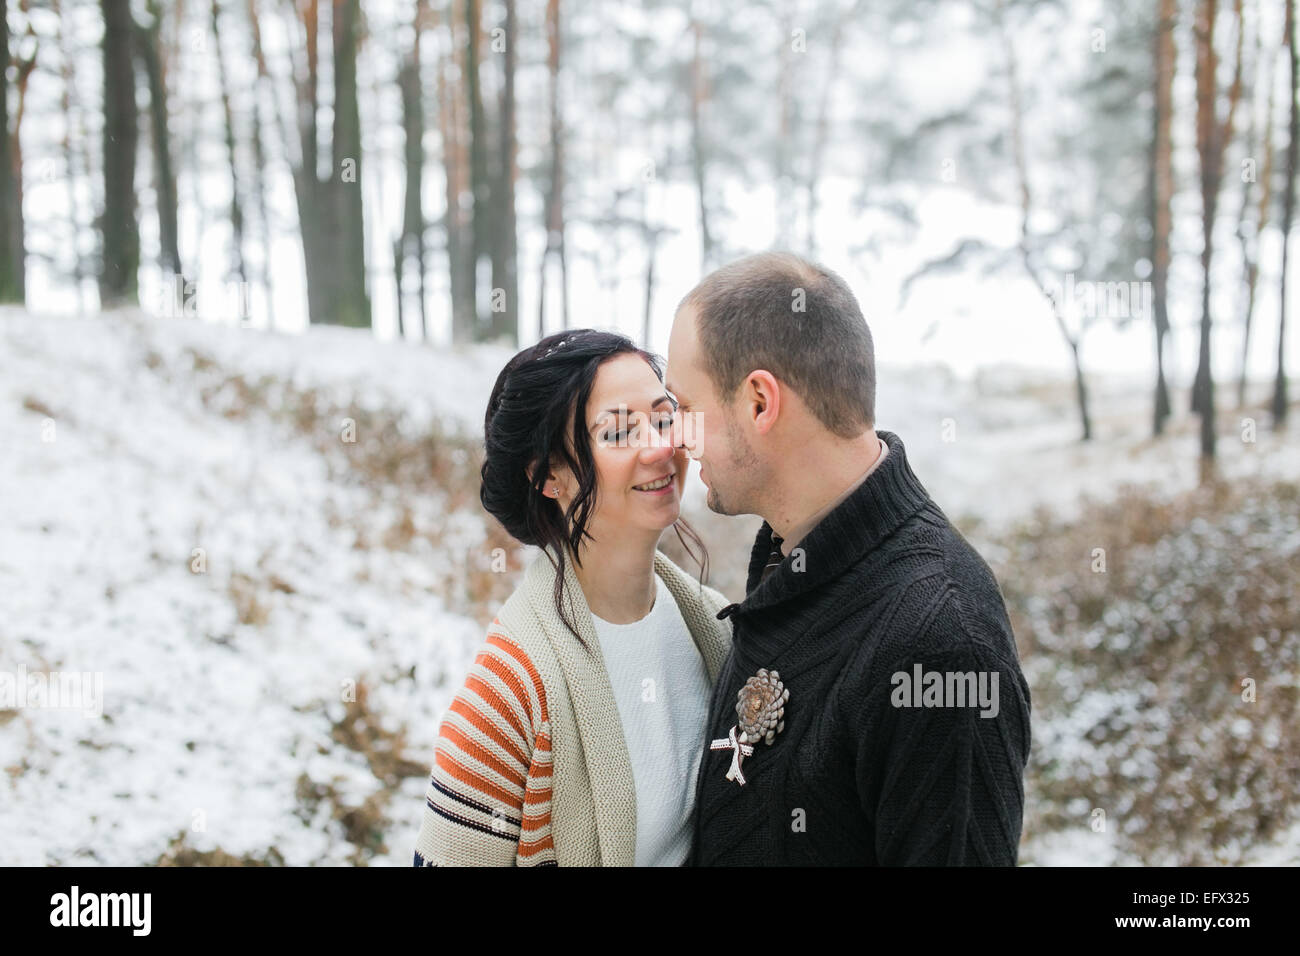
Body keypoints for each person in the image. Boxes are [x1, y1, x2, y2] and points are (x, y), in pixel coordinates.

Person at [665, 251, 1032, 866]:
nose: (677, 435)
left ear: (759, 402)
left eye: (686, 406)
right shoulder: (795, 557)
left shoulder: (941, 644)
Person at [413, 329, 733, 866]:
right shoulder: (508, 692)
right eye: (617, 433)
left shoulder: (713, 626)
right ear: (548, 477)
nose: (658, 447)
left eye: (662, 418)